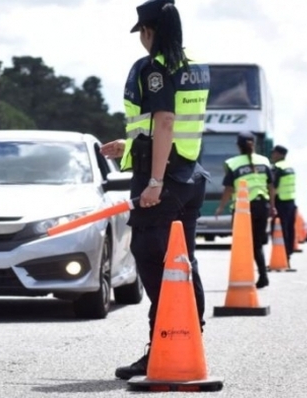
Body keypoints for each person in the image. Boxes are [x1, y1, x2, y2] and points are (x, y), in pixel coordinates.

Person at [98, 0, 211, 380]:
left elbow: (164, 122)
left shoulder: (157, 67)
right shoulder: (194, 64)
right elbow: (171, 127)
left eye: (142, 33)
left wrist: (154, 182)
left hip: (163, 179)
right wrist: (128, 146)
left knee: (151, 255)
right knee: (180, 260)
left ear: (150, 32)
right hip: (189, 175)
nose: (142, 41)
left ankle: (170, 339)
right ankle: (187, 332)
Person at [215, 131, 277, 289]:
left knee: (241, 243)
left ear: (238, 145)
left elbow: (228, 189)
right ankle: (263, 276)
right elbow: (271, 187)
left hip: (243, 210)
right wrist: (272, 206)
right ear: (254, 144)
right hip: (262, 206)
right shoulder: (264, 161)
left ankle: (244, 275)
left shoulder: (233, 163)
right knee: (257, 244)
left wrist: (221, 207)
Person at [269, 145, 297, 264]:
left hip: (280, 202)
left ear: (280, 154)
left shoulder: (277, 168)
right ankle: (288, 253)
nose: (272, 155)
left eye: (274, 153)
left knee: (278, 230)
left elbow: (273, 188)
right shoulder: (290, 167)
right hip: (291, 202)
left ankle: (282, 255)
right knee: (290, 229)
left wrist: (271, 205)